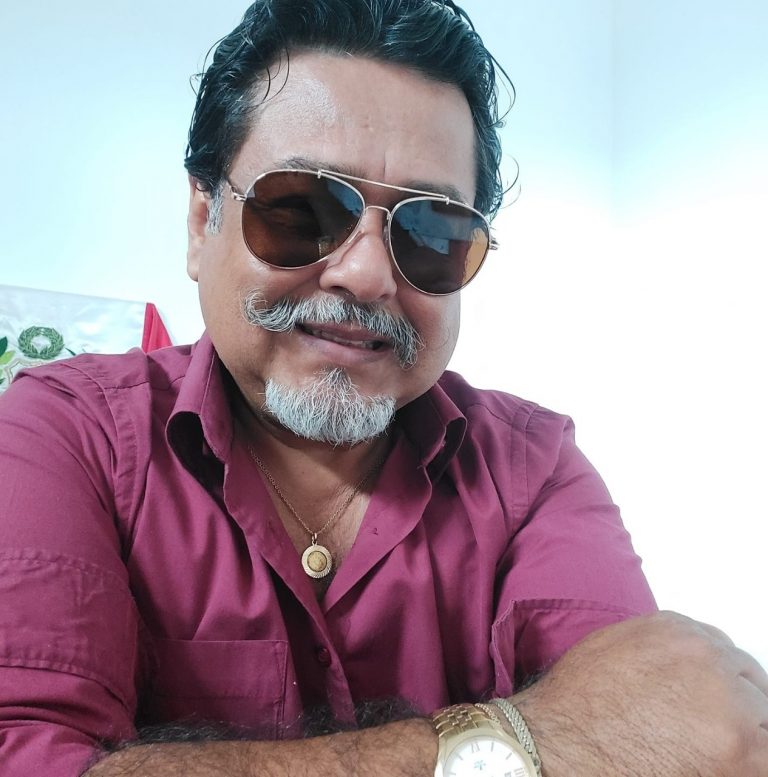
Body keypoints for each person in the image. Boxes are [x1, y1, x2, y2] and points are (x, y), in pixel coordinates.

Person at [0, 1, 765, 775]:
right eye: (300, 209)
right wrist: (523, 741)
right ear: (202, 223)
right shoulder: (68, 435)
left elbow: (665, 735)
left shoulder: (532, 470)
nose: (366, 275)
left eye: (431, 232)